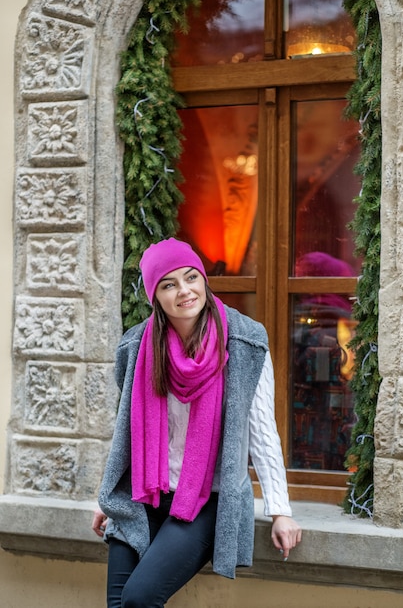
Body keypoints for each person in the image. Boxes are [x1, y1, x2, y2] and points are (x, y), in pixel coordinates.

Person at [92, 238, 302, 608]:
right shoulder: (137, 346)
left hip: (208, 499)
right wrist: (107, 492)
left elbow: (262, 431)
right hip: (143, 493)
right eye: (169, 284)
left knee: (139, 600)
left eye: (191, 277)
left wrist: (280, 510)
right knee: (117, 604)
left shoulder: (243, 342)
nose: (185, 291)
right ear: (155, 296)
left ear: (204, 279)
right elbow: (126, 428)